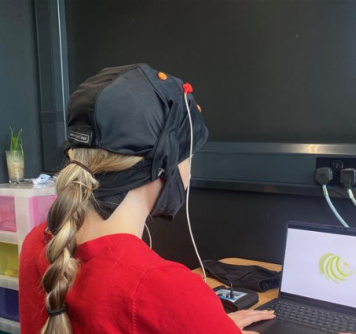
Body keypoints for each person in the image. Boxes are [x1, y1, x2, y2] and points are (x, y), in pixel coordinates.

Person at [18, 64, 275, 334]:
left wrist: (206, 324)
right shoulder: (162, 288)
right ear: (163, 164)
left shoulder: (37, 244)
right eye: (190, 157)